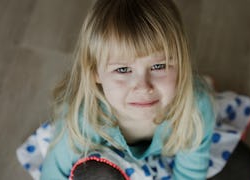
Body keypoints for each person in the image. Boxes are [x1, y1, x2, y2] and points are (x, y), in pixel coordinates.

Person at [40, 0, 216, 179]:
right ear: (95, 72)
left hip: (166, 162)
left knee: (242, 168)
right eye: (123, 70)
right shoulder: (83, 120)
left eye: (159, 66)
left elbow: (190, 174)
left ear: (181, 63)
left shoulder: (196, 107)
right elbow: (53, 175)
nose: (143, 87)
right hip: (106, 167)